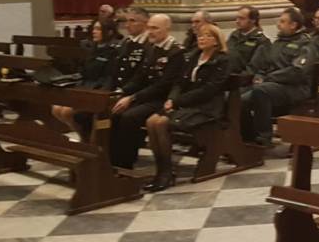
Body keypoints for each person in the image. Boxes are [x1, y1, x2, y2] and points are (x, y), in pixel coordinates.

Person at [144, 23, 230, 191]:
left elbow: (208, 90)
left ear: (216, 41)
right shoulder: (193, 56)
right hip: (184, 104)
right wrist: (171, 99)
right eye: (200, 35)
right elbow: (179, 82)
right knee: (151, 121)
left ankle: (166, 173)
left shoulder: (222, 60)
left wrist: (177, 102)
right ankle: (161, 169)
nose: (202, 38)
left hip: (205, 108)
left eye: (208, 36)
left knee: (161, 123)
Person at [109, 13, 186, 169]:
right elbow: (140, 77)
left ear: (167, 29)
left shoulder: (175, 52)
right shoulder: (151, 48)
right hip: (146, 96)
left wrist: (132, 98)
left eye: (155, 28)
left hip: (162, 100)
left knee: (129, 117)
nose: (150, 32)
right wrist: (121, 91)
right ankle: (112, 161)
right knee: (114, 112)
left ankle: (125, 164)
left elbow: (163, 86)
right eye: (149, 27)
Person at [245, 8, 314, 148]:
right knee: (240, 99)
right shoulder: (277, 43)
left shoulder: (305, 44)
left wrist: (269, 77)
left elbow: (297, 71)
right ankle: (248, 136)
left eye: (282, 22)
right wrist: (259, 76)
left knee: (261, 91)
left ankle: (264, 136)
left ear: (293, 25)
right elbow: (264, 64)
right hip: (272, 86)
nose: (278, 25)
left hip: (295, 88)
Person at [51, 17, 120, 132]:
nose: (94, 32)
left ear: (109, 32)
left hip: (99, 91)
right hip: (85, 87)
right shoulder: (92, 48)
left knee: (66, 112)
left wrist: (95, 94)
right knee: (56, 109)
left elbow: (109, 77)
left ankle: (85, 138)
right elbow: (83, 71)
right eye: (94, 28)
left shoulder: (114, 50)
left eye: (98, 29)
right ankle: (83, 137)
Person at [227, 5, 268, 72]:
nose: (237, 21)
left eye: (242, 18)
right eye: (237, 18)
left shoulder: (261, 41)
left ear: (253, 20)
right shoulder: (234, 35)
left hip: (242, 76)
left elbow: (253, 68)